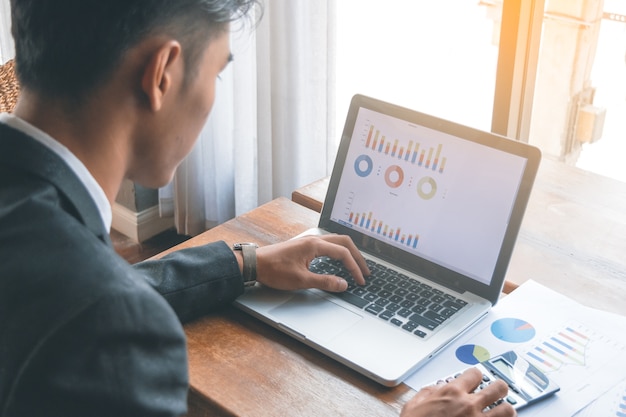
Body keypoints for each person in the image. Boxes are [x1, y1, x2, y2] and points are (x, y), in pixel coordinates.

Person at [0, 1, 515, 416]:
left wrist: (247, 262)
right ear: (162, 73)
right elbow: (96, 306)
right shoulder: (114, 328)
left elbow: (67, 290)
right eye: (216, 75)